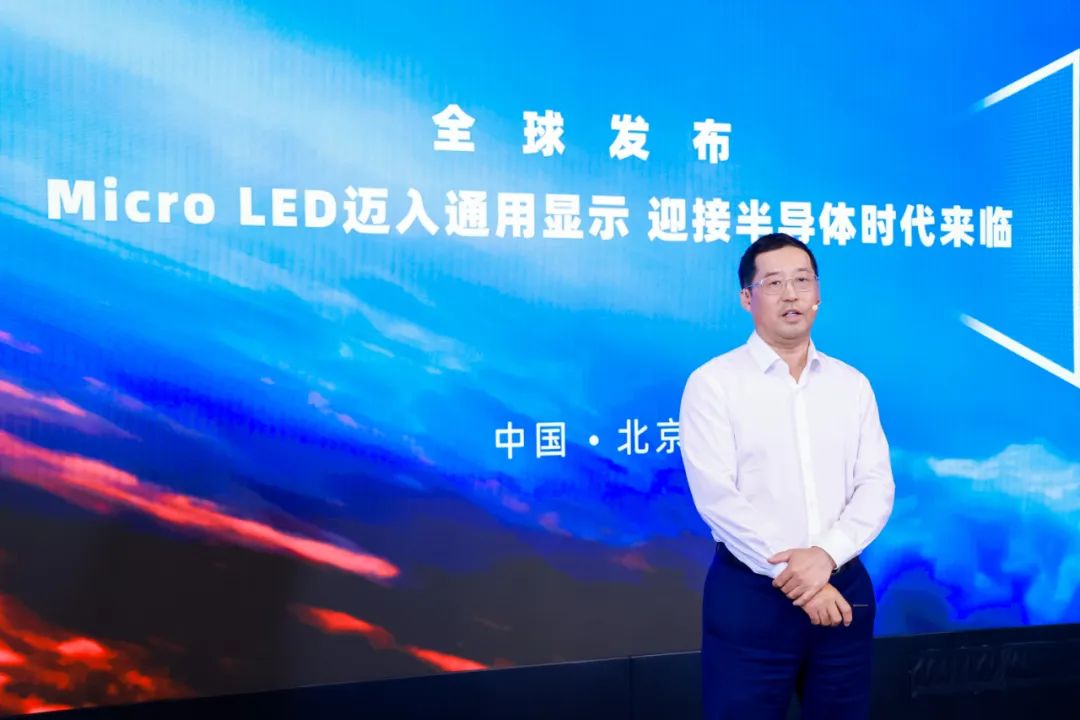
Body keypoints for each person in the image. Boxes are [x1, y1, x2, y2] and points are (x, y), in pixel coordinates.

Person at [679, 233, 895, 720]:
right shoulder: (714, 384)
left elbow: (876, 485)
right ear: (747, 298)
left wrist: (827, 555)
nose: (791, 294)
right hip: (752, 597)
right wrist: (803, 580)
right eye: (774, 283)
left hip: (844, 591)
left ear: (818, 293)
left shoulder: (851, 385)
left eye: (802, 280)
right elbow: (718, 498)